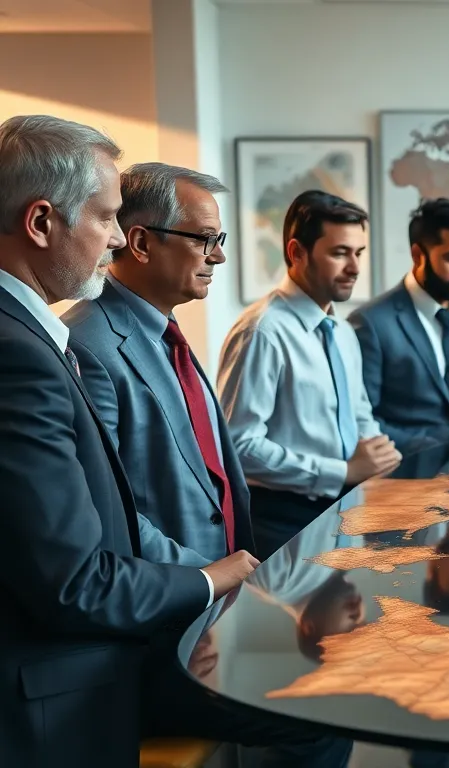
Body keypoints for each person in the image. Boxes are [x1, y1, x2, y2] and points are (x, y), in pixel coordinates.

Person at [0, 115, 259, 767]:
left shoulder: (37, 340)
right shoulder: (25, 353)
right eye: (107, 218)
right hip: (71, 686)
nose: (115, 239)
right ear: (41, 224)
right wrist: (204, 583)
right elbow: (75, 575)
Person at [63, 163, 253, 568]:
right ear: (142, 243)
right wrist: (203, 576)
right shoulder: (85, 344)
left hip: (221, 588)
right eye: (205, 239)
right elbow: (106, 507)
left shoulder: (164, 328)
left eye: (218, 239)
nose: (218, 256)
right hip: (169, 594)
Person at [218, 191, 401, 559]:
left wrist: (379, 453)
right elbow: (238, 447)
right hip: (282, 520)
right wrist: (342, 471)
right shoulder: (262, 332)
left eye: (358, 253)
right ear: (296, 252)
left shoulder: (342, 330)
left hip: (345, 510)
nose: (354, 267)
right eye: (339, 253)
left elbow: (358, 412)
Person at [350, 198, 449, 450]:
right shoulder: (371, 323)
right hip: (407, 479)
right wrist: (428, 449)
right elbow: (361, 420)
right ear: (418, 255)